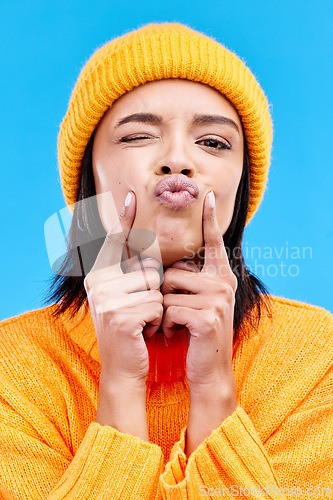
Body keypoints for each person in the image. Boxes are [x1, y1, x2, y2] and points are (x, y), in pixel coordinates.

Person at [0, 22, 332, 500]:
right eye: (138, 136)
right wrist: (119, 383)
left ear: (242, 183)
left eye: (213, 142)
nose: (177, 159)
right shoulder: (13, 370)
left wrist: (215, 386)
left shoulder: (316, 358)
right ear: (88, 173)